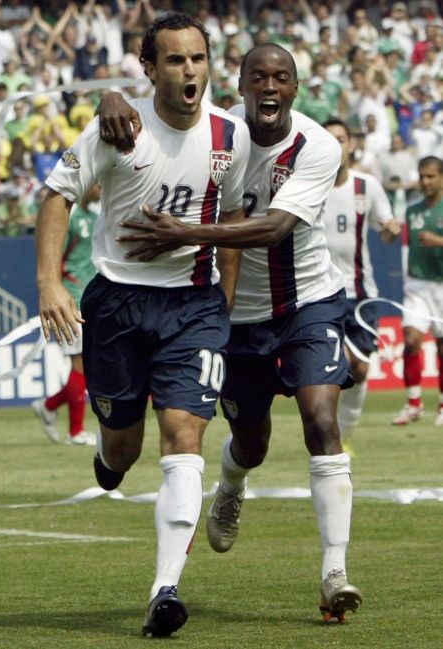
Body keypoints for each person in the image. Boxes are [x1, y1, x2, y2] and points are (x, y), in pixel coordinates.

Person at [98, 42, 363, 623]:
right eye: (258, 78)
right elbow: (151, 111)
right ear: (239, 86)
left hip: (308, 304)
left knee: (322, 422)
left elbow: (272, 228)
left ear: (296, 88)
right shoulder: (216, 132)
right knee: (252, 443)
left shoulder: (317, 146)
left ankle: (335, 572)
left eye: (282, 78)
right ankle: (233, 482)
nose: (270, 88)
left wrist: (187, 234)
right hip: (235, 319)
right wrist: (110, 96)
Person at [35, 12, 250, 638]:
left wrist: (224, 307)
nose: (190, 71)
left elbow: (233, 216)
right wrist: (49, 283)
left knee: (185, 436)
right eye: (176, 60)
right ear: (149, 68)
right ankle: (107, 450)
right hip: (118, 305)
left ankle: (165, 590)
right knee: (123, 446)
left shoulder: (229, 137)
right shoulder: (118, 126)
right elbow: (57, 194)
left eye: (198, 59)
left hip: (193, 306)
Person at [321, 118, 401, 448]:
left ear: (351, 144)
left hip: (361, 291)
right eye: (329, 140)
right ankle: (327, 438)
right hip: (320, 293)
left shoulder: (366, 185)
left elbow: (384, 229)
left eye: (341, 139)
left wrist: (389, 230)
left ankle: (345, 436)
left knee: (362, 370)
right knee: (331, 369)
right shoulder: (309, 184)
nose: (336, 145)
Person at [32, 184, 100, 447]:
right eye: (97, 183)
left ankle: (49, 406)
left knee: (87, 366)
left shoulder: (94, 218)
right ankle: (76, 432)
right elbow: (53, 258)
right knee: (79, 365)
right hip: (70, 298)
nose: (101, 188)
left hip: (91, 297)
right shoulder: (68, 220)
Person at [392, 156, 443, 426]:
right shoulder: (411, 211)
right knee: (411, 340)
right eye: (422, 176)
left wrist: (439, 242)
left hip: (442, 286)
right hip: (418, 286)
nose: (425, 181)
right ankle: (413, 403)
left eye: (431, 176)